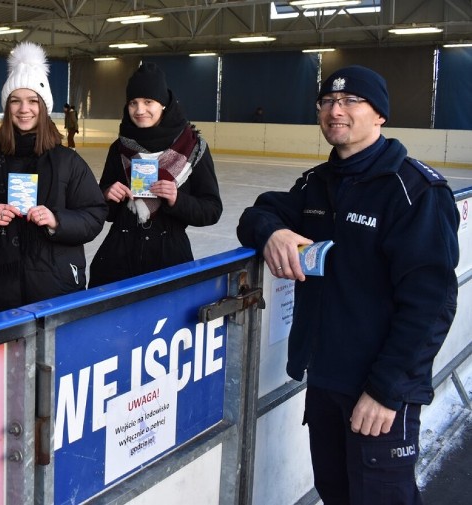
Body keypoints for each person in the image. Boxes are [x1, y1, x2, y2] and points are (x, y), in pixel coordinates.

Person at [237, 65, 459, 505]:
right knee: (336, 492)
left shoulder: (413, 191)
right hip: (326, 380)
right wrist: (273, 233)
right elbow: (256, 214)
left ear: (379, 114)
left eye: (350, 102)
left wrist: (385, 391)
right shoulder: (318, 184)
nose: (335, 111)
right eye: (327, 102)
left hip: (378, 388)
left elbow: (430, 304)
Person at [0, 42, 106, 314]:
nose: (24, 109)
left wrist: (58, 220)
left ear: (43, 107)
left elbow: (94, 214)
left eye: (33, 100)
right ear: (7, 107)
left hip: (55, 286)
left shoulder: (68, 161)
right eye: (16, 100)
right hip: (0, 287)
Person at [88, 63, 222, 287]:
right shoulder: (119, 148)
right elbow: (107, 213)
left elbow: (212, 210)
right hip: (118, 259)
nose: (139, 110)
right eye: (133, 103)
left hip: (169, 257)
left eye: (148, 101)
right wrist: (106, 194)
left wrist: (177, 200)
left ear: (164, 104)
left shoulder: (192, 147)